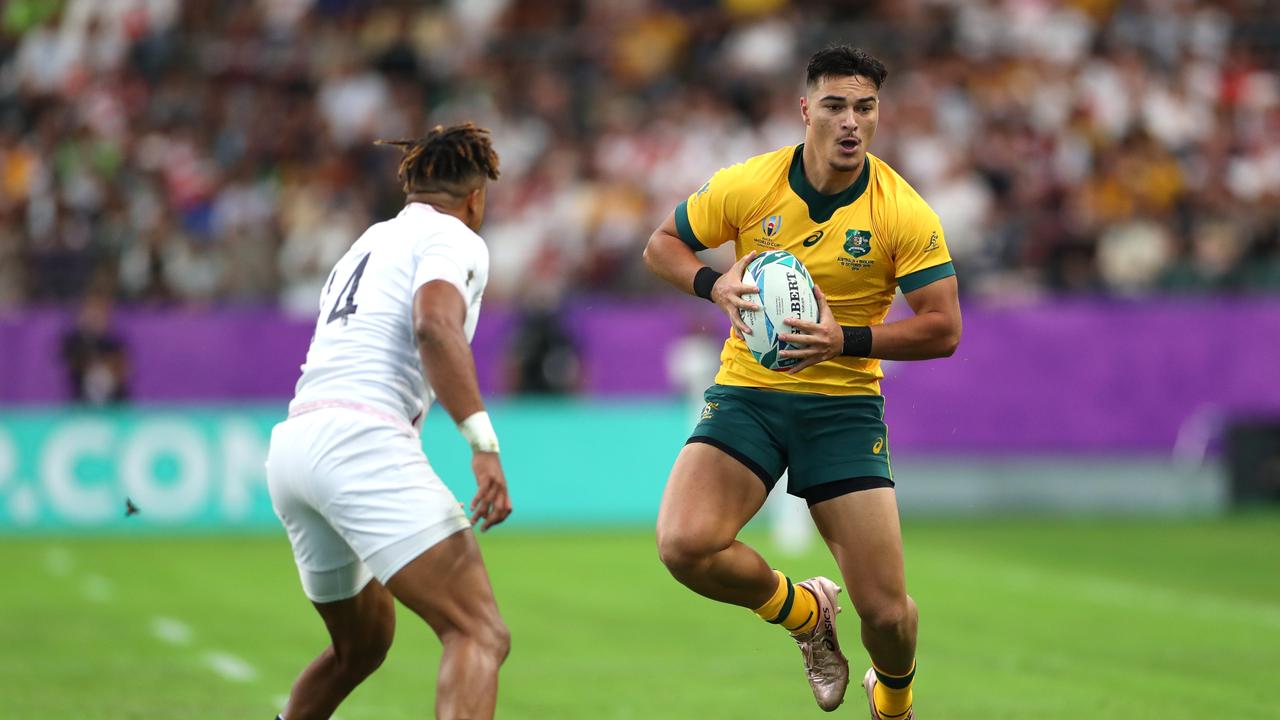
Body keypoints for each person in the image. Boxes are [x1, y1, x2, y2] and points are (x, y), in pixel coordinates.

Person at [643, 45, 961, 719]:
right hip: (748, 396)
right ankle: (803, 610)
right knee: (684, 545)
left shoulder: (901, 210)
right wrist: (714, 283)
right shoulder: (749, 184)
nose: (851, 122)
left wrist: (843, 339)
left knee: (886, 615)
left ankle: (893, 701)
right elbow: (660, 246)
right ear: (805, 109)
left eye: (865, 108)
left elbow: (944, 328)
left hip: (842, 405)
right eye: (836, 106)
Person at [265, 123, 513, 720]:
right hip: (362, 441)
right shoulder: (455, 237)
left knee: (361, 645)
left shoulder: (368, 241)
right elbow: (434, 323)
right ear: (475, 197)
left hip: (296, 444)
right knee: (478, 632)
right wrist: (482, 442)